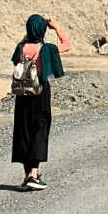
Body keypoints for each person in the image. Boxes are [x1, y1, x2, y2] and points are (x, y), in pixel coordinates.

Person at [11, 13, 71, 190]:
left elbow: (16, 59)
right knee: (40, 129)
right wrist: (56, 26)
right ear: (43, 30)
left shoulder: (20, 48)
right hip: (40, 93)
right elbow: (67, 45)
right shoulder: (46, 49)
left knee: (24, 131)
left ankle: (27, 175)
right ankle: (34, 175)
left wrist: (28, 35)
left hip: (22, 95)